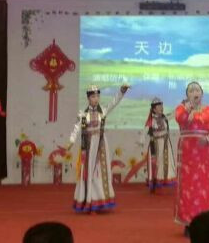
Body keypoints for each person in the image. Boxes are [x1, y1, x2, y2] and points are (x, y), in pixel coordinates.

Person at [68, 83, 130, 213]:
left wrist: (121, 91)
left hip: (101, 145)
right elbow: (76, 128)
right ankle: (89, 202)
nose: (96, 99)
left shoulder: (103, 111)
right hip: (89, 146)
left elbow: (114, 102)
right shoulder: (83, 114)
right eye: (93, 97)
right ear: (88, 98)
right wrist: (71, 141)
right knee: (89, 173)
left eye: (97, 96)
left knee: (101, 173)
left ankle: (101, 201)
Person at [175, 81, 209, 234]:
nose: (195, 92)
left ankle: (207, 221)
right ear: (187, 95)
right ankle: (189, 223)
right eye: (191, 90)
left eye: (197, 90)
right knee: (189, 187)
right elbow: (180, 119)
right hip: (188, 154)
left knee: (206, 187)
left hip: (205, 155)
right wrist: (189, 108)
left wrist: (208, 138)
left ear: (202, 93)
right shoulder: (182, 108)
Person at [138, 97, 176, 193]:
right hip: (156, 146)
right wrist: (141, 141)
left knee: (166, 164)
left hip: (166, 145)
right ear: (154, 109)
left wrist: (183, 106)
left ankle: (163, 182)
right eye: (159, 106)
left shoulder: (164, 118)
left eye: (162, 106)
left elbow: (174, 113)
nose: (161, 108)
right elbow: (145, 131)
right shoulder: (151, 121)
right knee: (156, 164)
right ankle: (155, 183)